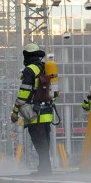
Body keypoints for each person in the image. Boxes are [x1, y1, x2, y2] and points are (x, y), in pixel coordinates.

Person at [10, 42, 54, 175]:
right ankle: (45, 168)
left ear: (27, 56)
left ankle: (45, 170)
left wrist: (15, 111)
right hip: (47, 111)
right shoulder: (46, 68)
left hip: (34, 113)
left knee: (39, 142)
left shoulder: (30, 70)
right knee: (45, 141)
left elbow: (24, 93)